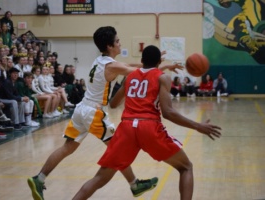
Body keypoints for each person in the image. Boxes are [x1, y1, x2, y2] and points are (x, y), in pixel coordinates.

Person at [27, 26, 183, 200]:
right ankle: (134, 184)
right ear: (110, 46)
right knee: (118, 148)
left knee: (67, 147)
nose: (119, 43)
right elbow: (140, 72)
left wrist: (155, 62)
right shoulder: (112, 66)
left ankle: (39, 178)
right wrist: (161, 65)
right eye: (117, 41)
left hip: (81, 109)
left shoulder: (100, 60)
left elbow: (131, 65)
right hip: (94, 112)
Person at [72, 45, 222, 200]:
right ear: (159, 62)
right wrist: (198, 126)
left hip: (127, 129)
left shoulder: (129, 77)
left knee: (99, 178)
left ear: (142, 60)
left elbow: (114, 104)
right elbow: (168, 113)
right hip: (149, 127)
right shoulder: (162, 77)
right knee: (186, 167)